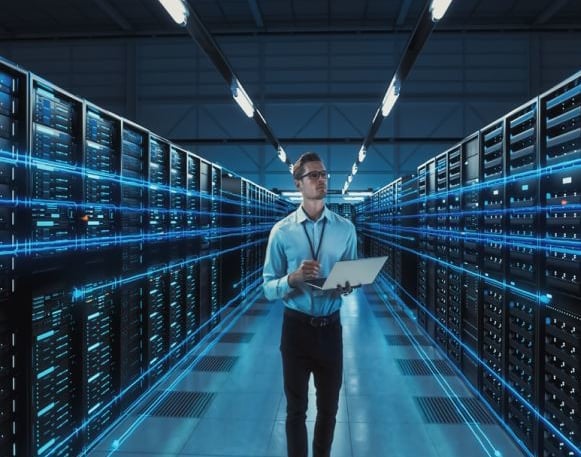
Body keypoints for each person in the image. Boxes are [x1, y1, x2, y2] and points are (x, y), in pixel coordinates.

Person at [263, 152, 357, 457]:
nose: (321, 180)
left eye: (324, 174)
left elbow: (352, 273)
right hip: (296, 329)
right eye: (313, 175)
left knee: (329, 409)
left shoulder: (345, 229)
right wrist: (292, 279)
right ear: (298, 183)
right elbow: (267, 287)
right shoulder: (282, 231)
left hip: (331, 330)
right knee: (296, 411)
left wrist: (347, 285)